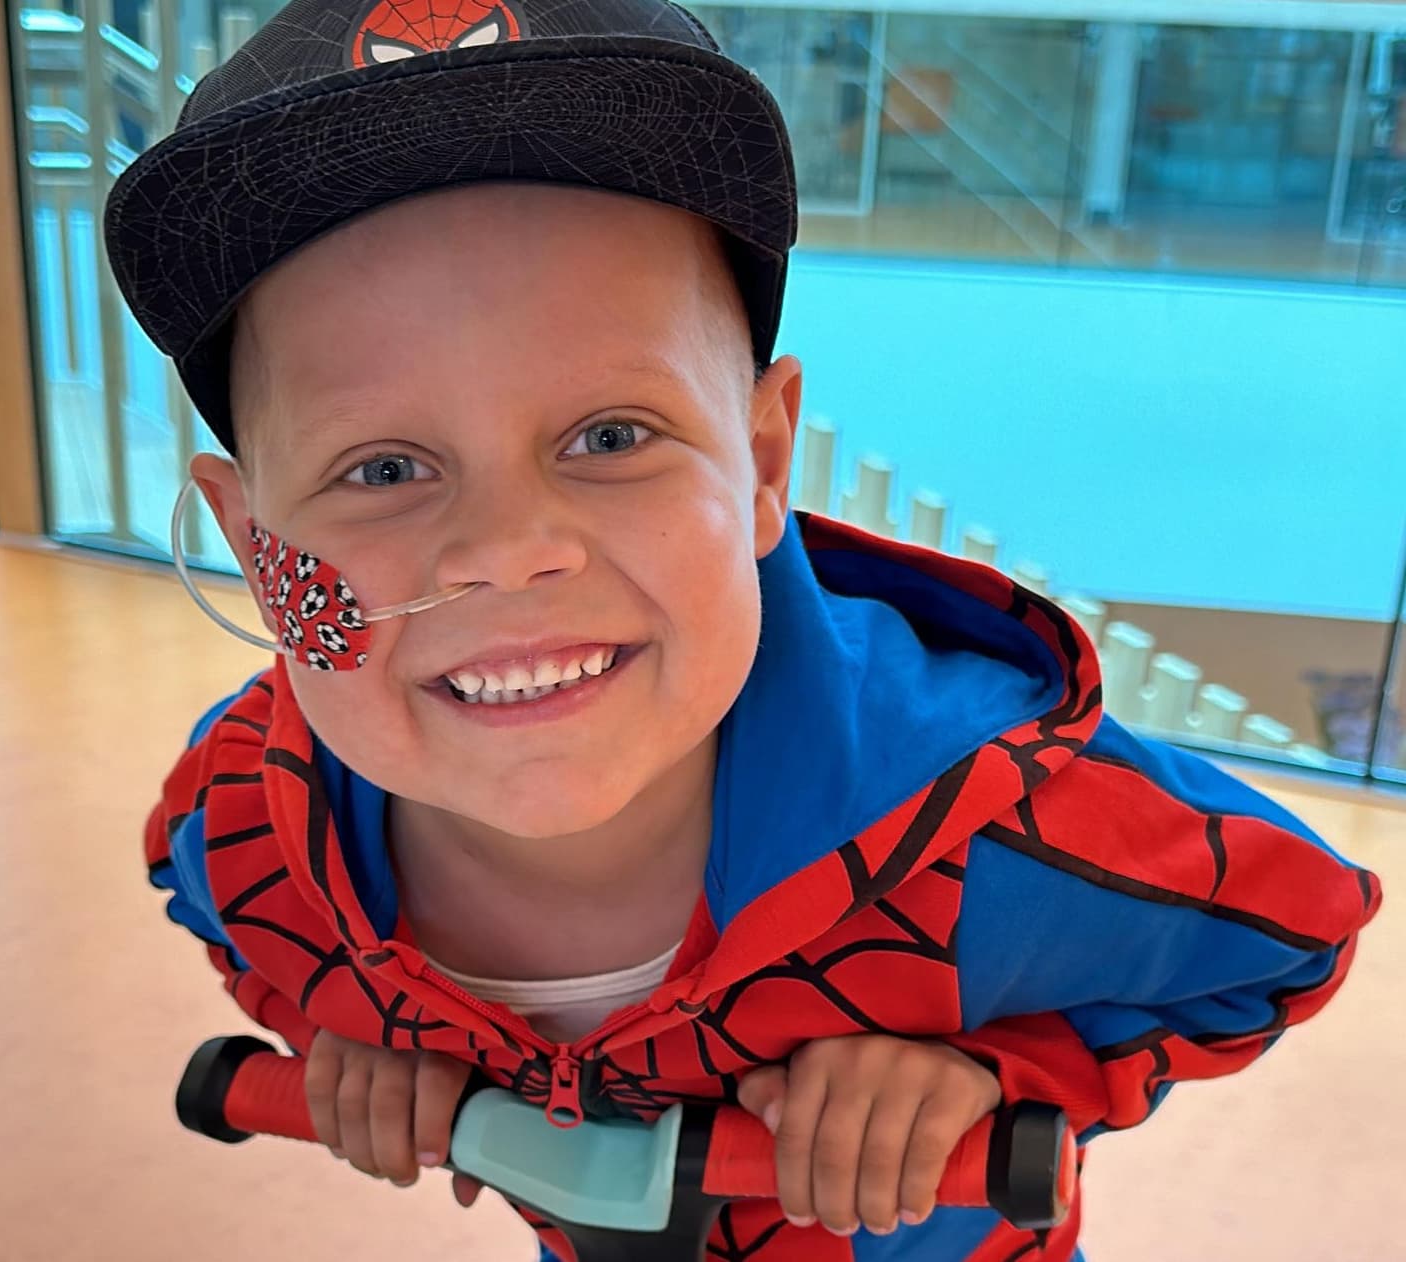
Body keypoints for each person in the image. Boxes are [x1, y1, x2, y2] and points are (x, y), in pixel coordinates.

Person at [106, 1, 1382, 1258]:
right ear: (252, 545)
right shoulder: (241, 812)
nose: (505, 547)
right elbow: (216, 907)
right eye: (382, 469)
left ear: (765, 461)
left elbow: (1293, 931)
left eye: (611, 435)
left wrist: (1005, 1067)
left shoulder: (994, 817)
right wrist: (343, 1041)